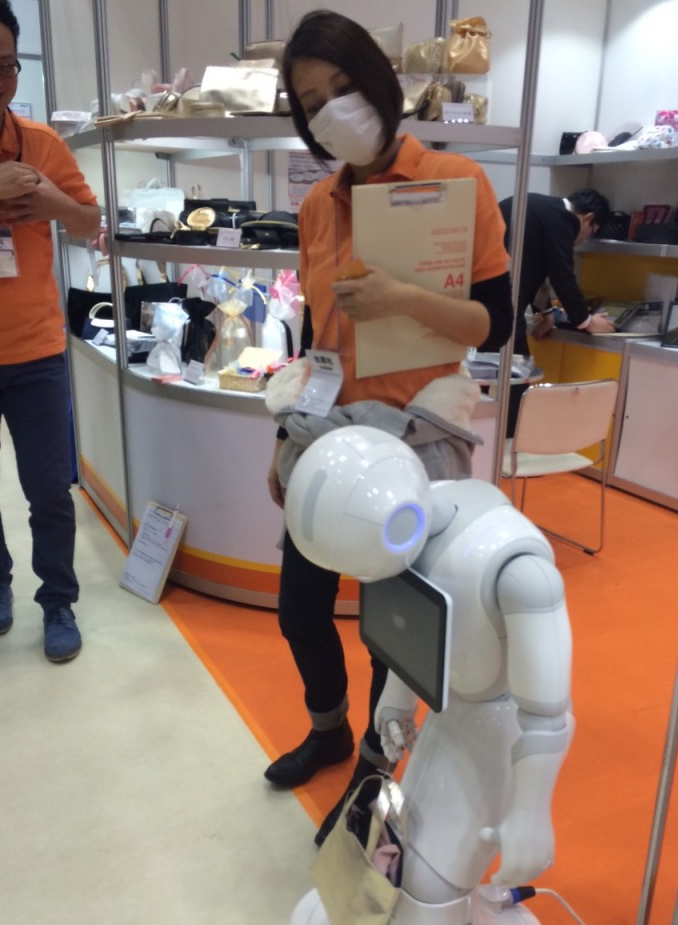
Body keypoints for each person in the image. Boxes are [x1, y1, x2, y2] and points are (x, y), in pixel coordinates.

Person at [263, 9, 513, 844]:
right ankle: (328, 727)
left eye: (343, 87)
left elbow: (498, 322)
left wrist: (404, 299)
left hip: (414, 443)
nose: (333, 110)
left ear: (377, 80)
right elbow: (315, 334)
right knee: (300, 608)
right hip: (329, 439)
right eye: (312, 102)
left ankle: (374, 776)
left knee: (392, 631)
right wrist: (285, 437)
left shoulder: (454, 182)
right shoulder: (316, 207)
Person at [0, 0, 101, 660]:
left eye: (6, 66)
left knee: (49, 491)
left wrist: (53, 202)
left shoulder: (43, 144)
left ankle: (58, 599)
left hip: (35, 352)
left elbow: (90, 224)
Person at [498, 188, 616, 357]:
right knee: (514, 370)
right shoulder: (563, 220)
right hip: (499, 310)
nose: (583, 240)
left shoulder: (541, 207)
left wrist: (547, 314)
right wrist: (588, 322)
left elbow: (532, 268)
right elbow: (563, 277)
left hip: (482, 301)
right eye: (591, 233)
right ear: (588, 218)